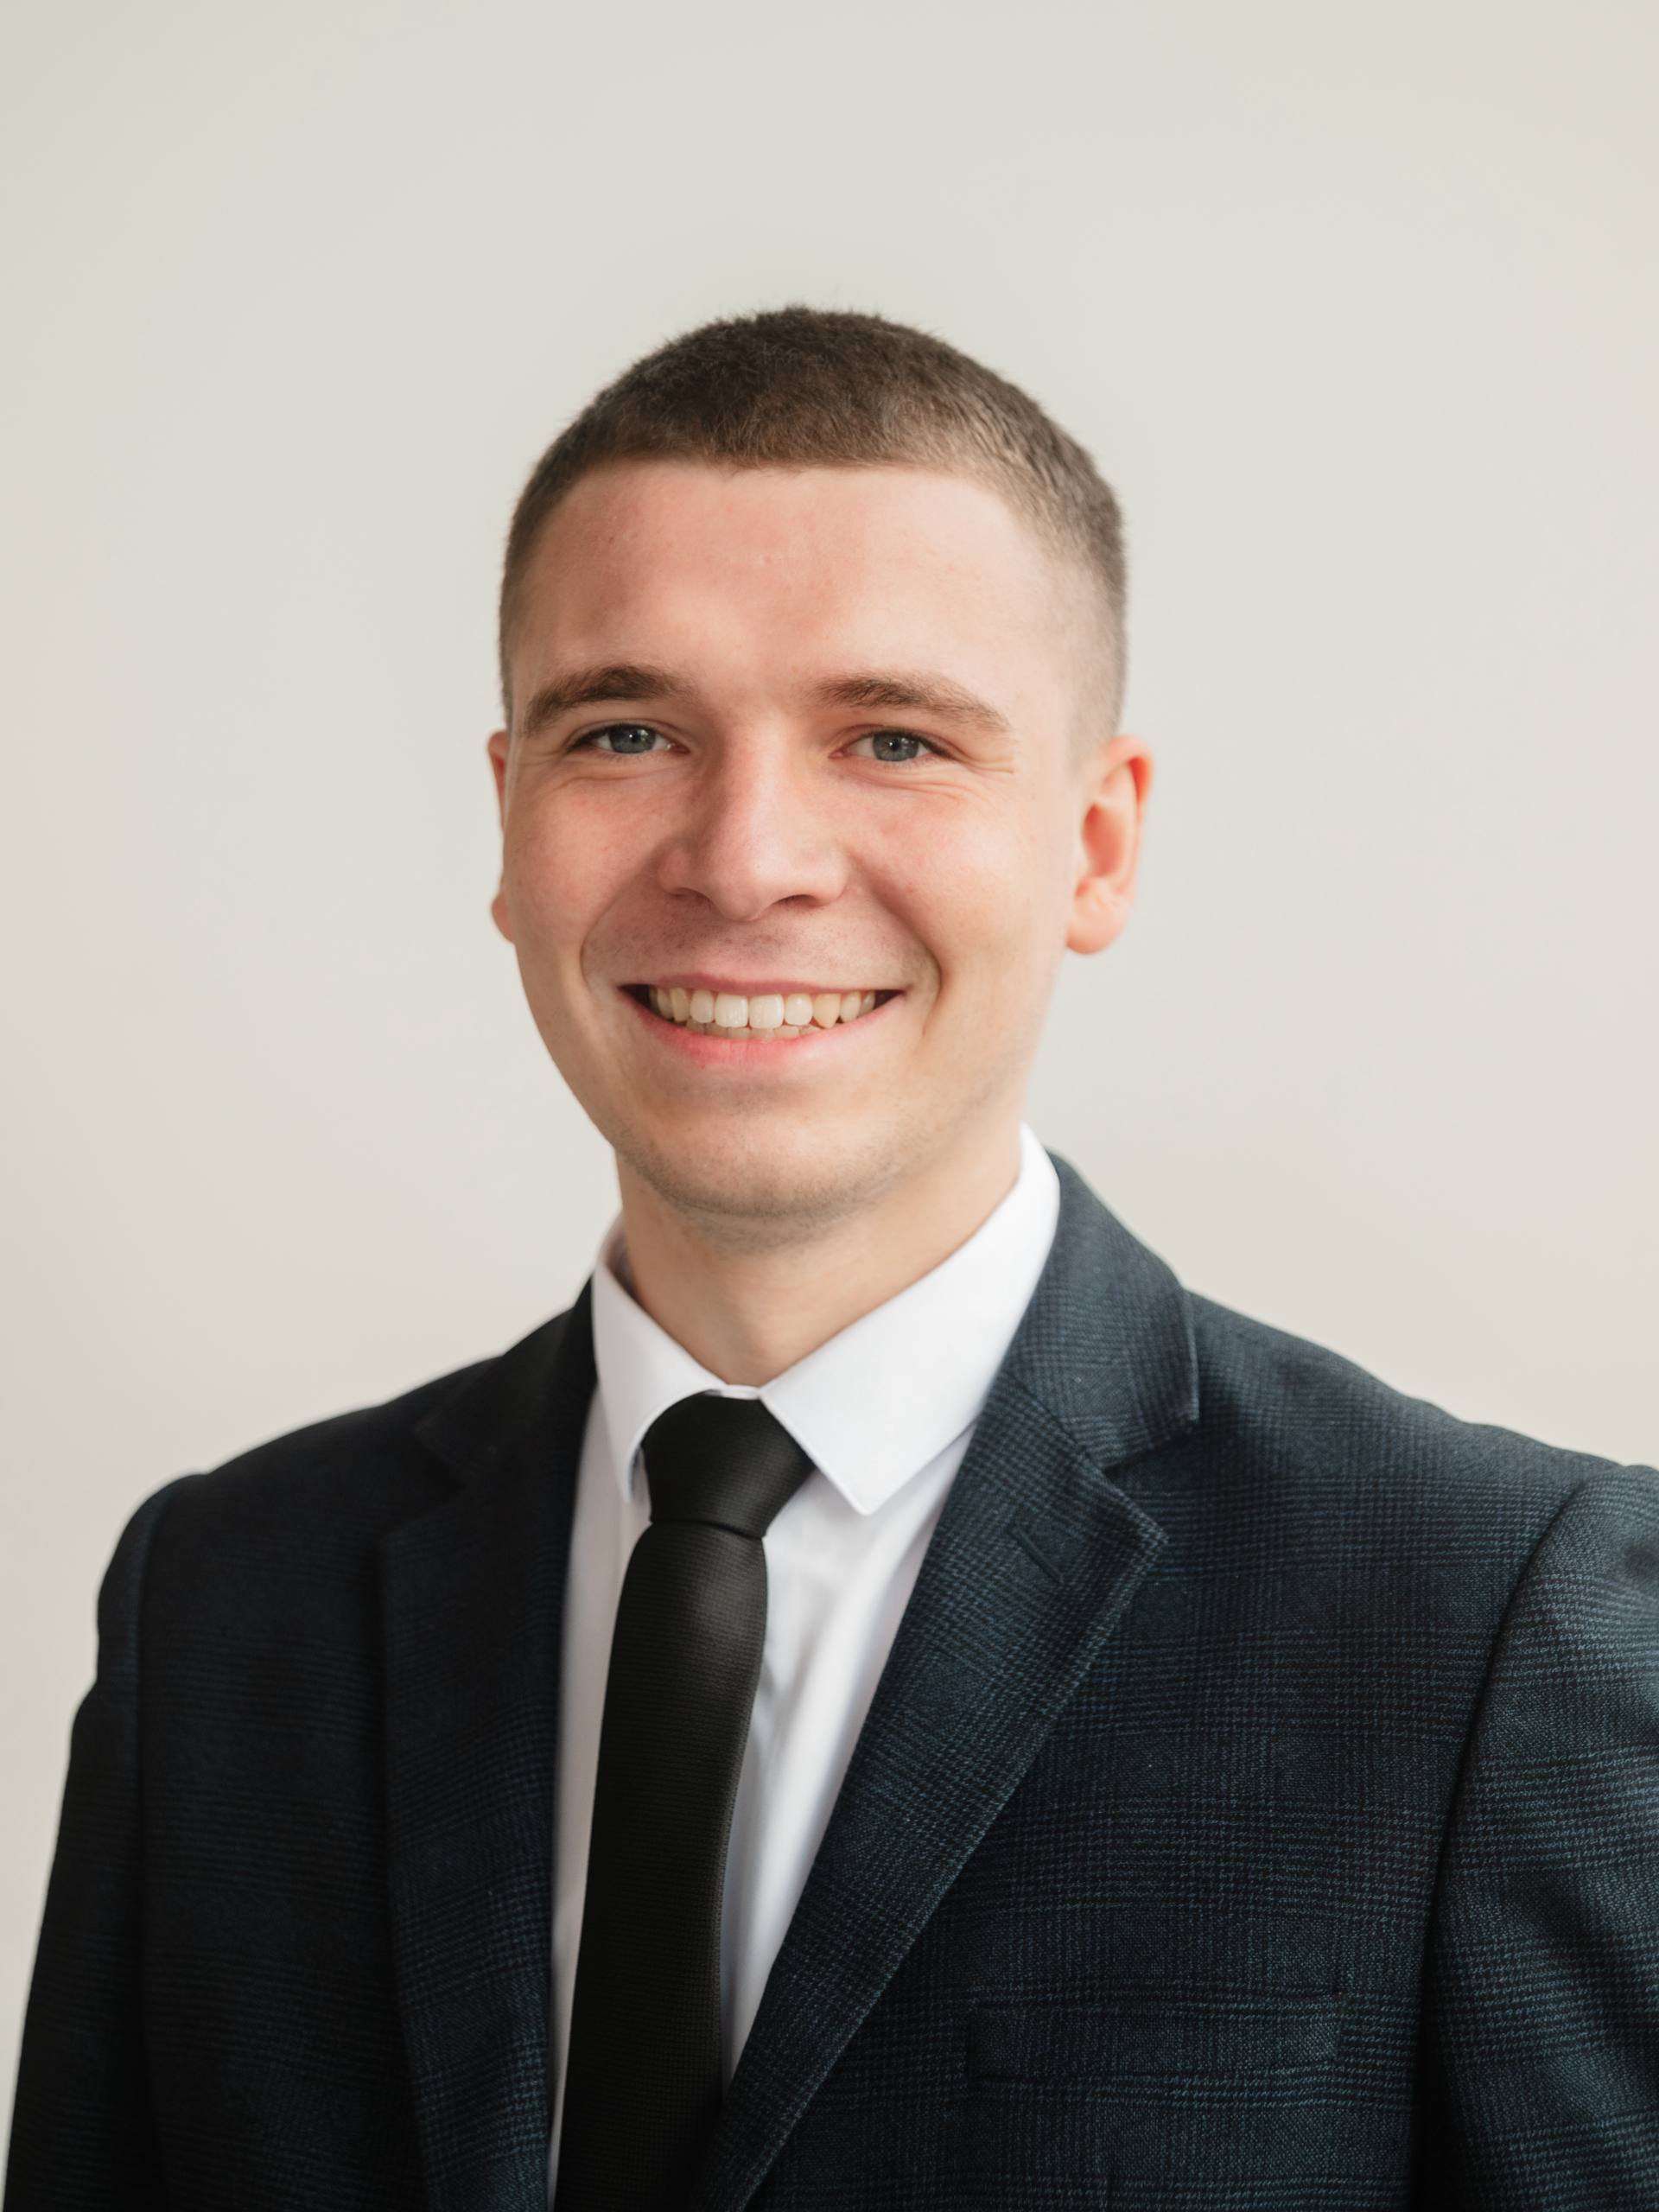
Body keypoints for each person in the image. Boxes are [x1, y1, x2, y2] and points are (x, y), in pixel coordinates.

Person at [6, 305, 1656, 2212]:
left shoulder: (1487, 1619)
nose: (747, 856)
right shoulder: (225, 1602)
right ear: (510, 819)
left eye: (893, 738)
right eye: (628, 732)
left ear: (1096, 844)